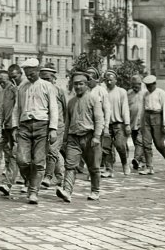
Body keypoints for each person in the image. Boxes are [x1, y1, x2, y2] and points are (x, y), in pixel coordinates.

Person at [15, 58, 58, 204]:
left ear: (38, 71)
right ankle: (29, 180)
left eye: (32, 73)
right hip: (24, 126)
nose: (29, 76)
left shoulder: (47, 86)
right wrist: (16, 127)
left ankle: (33, 191)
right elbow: (17, 108)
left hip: (42, 125)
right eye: (27, 74)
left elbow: (53, 108)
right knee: (22, 159)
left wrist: (53, 129)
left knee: (39, 162)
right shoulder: (22, 87)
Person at [56, 72, 104, 202]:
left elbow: (99, 119)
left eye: (81, 84)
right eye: (75, 84)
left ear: (87, 84)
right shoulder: (71, 102)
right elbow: (67, 122)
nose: (78, 87)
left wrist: (96, 136)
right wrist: (64, 139)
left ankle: (95, 190)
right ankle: (67, 191)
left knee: (93, 167)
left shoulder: (94, 99)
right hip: (73, 138)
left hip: (89, 137)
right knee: (70, 165)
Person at [140, 75, 165, 175]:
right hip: (147, 117)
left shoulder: (161, 93)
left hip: (157, 116)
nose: (149, 88)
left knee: (159, 144)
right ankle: (149, 166)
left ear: (155, 84)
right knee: (146, 143)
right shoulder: (145, 94)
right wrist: (141, 122)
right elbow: (142, 109)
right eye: (147, 86)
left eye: (150, 85)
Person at [39, 66, 65, 188]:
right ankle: (59, 176)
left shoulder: (59, 90)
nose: (45, 81)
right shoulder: (39, 90)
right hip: (44, 124)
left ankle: (48, 176)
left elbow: (65, 108)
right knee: (53, 151)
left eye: (48, 79)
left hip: (58, 125)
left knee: (52, 151)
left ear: (54, 79)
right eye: (43, 78)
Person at [101, 69, 130, 177]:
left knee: (120, 145)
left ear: (116, 80)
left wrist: (127, 124)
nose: (109, 82)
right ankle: (109, 169)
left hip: (119, 123)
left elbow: (125, 108)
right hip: (107, 124)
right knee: (106, 147)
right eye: (107, 80)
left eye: (111, 80)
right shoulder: (103, 92)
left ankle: (125, 163)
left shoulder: (121, 92)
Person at [0, 69, 20, 196]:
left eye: (3, 80)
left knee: (15, 155)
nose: (1, 82)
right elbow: (0, 110)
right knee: (2, 151)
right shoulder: (1, 91)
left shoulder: (15, 90)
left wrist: (16, 127)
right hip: (5, 127)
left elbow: (17, 109)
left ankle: (9, 183)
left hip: (14, 127)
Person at [127, 75, 146, 171]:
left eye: (137, 85)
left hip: (142, 122)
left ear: (140, 84)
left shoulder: (145, 93)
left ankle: (136, 159)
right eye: (133, 85)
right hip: (132, 122)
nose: (135, 87)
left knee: (139, 141)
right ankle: (142, 161)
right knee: (136, 142)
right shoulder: (129, 94)